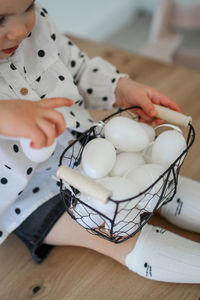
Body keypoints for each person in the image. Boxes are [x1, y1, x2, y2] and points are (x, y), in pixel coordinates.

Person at [0, 0, 200, 284]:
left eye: (29, 6)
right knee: (113, 234)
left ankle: (165, 196)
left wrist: (121, 89)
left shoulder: (38, 30)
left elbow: (78, 69)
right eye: (0, 20)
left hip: (87, 147)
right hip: (34, 196)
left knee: (159, 183)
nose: (21, 29)